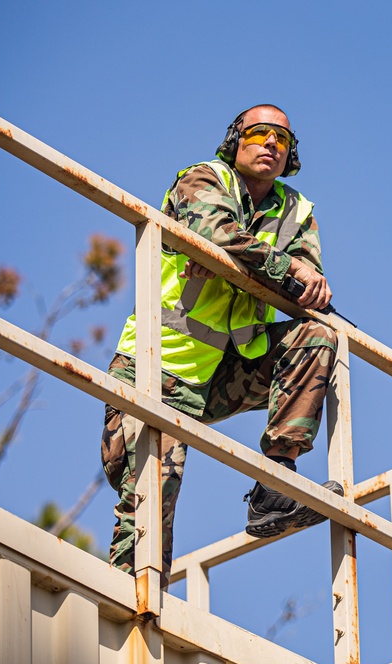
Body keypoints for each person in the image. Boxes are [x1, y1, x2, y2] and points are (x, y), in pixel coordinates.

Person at [100, 104, 342, 586]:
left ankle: (276, 484)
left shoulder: (297, 213)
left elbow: (307, 290)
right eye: (259, 133)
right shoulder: (202, 179)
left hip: (224, 374)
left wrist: (250, 262)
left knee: (317, 334)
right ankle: (129, 602)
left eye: (282, 139)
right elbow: (214, 232)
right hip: (154, 369)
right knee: (150, 499)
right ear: (236, 139)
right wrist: (275, 266)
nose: (272, 143)